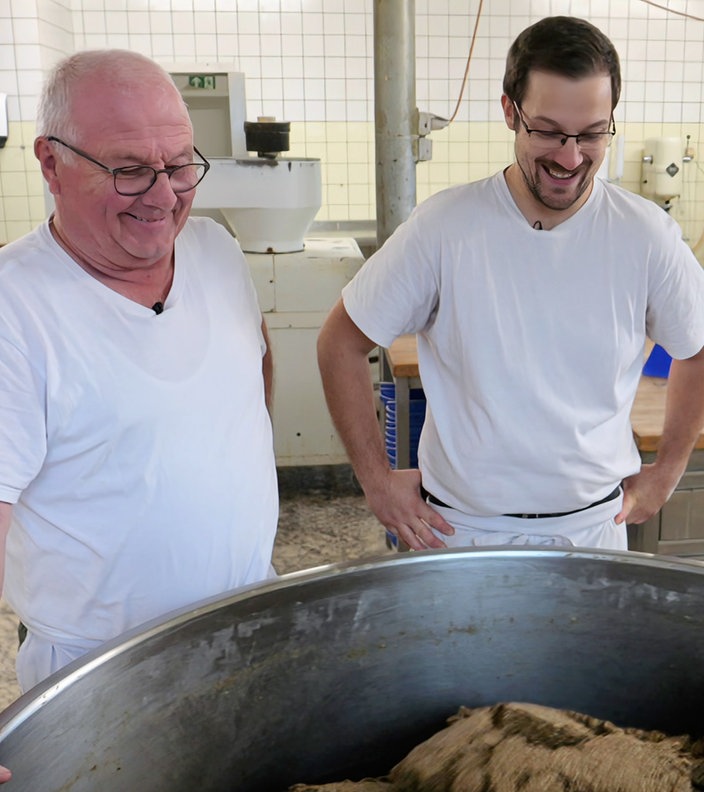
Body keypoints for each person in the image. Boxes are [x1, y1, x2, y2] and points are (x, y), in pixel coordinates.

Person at [318, 16, 704, 553]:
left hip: (592, 527)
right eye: (547, 130)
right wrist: (376, 481)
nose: (570, 158)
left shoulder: (645, 236)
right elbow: (340, 341)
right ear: (509, 112)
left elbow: (697, 349)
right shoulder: (445, 228)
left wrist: (666, 471)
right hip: (461, 530)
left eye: (592, 133)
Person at [0, 50, 278, 699]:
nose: (163, 196)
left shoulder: (216, 251)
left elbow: (251, 370)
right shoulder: (17, 307)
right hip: (102, 676)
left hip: (255, 630)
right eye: (129, 171)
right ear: (51, 163)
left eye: (180, 165)